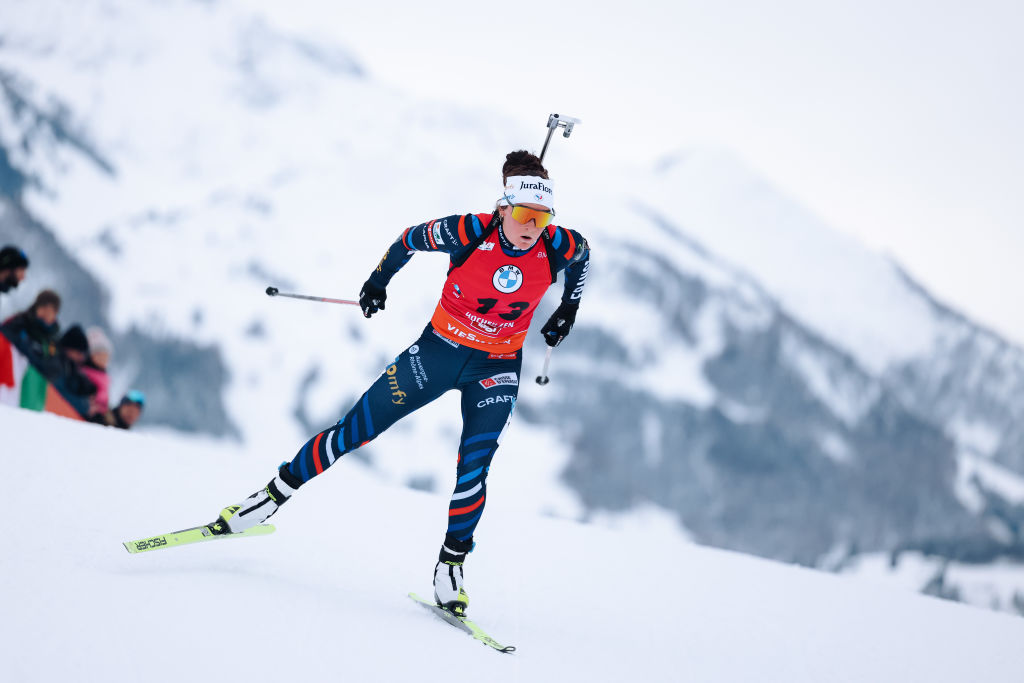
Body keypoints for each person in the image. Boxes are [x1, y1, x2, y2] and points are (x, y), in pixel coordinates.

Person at [211, 150, 590, 615]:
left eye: (543, 216)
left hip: (497, 368)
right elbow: (408, 239)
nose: (533, 225)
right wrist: (378, 281)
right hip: (437, 354)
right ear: (503, 206)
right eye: (525, 213)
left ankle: (451, 566)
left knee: (475, 466)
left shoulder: (558, 244)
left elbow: (584, 258)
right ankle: (268, 499)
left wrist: (567, 310)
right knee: (354, 431)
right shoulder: (469, 232)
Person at [81, 326, 113, 417]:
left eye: (106, 355)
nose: (104, 359)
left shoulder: (104, 377)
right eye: (100, 354)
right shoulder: (85, 374)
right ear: (91, 355)